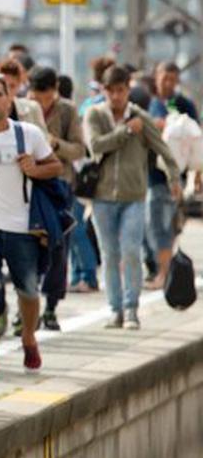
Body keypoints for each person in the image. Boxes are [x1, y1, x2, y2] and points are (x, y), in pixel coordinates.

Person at [0, 75, 62, 378]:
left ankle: (29, 339)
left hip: (24, 227)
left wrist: (35, 168)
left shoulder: (28, 133)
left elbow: (56, 166)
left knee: (29, 291)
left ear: (9, 100)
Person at [84, 66, 182, 329]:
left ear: (128, 90)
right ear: (104, 91)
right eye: (111, 91)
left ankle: (131, 309)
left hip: (134, 196)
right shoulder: (95, 115)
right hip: (102, 197)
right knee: (110, 253)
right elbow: (95, 146)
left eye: (121, 90)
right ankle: (115, 309)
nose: (116, 96)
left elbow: (161, 146)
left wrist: (174, 176)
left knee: (130, 251)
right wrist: (126, 132)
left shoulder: (141, 116)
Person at [27, 65, 88, 330]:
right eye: (36, 95)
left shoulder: (67, 111)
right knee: (27, 247)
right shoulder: (23, 108)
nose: (40, 101)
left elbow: (79, 150)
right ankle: (26, 306)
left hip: (59, 188)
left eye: (46, 95)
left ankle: (51, 305)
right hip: (27, 187)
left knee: (58, 246)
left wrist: (53, 144)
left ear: (55, 91)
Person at [145, 62, 197, 290]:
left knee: (162, 226)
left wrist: (197, 175)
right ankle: (163, 270)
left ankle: (164, 274)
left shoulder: (183, 104)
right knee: (155, 225)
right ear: (156, 77)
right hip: (151, 174)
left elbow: (197, 141)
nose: (168, 83)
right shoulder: (150, 102)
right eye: (164, 78)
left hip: (173, 177)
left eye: (172, 79)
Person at [0, 60, 47, 131]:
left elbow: (43, 138)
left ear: (19, 85)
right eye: (4, 85)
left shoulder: (33, 108)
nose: (7, 90)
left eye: (12, 86)